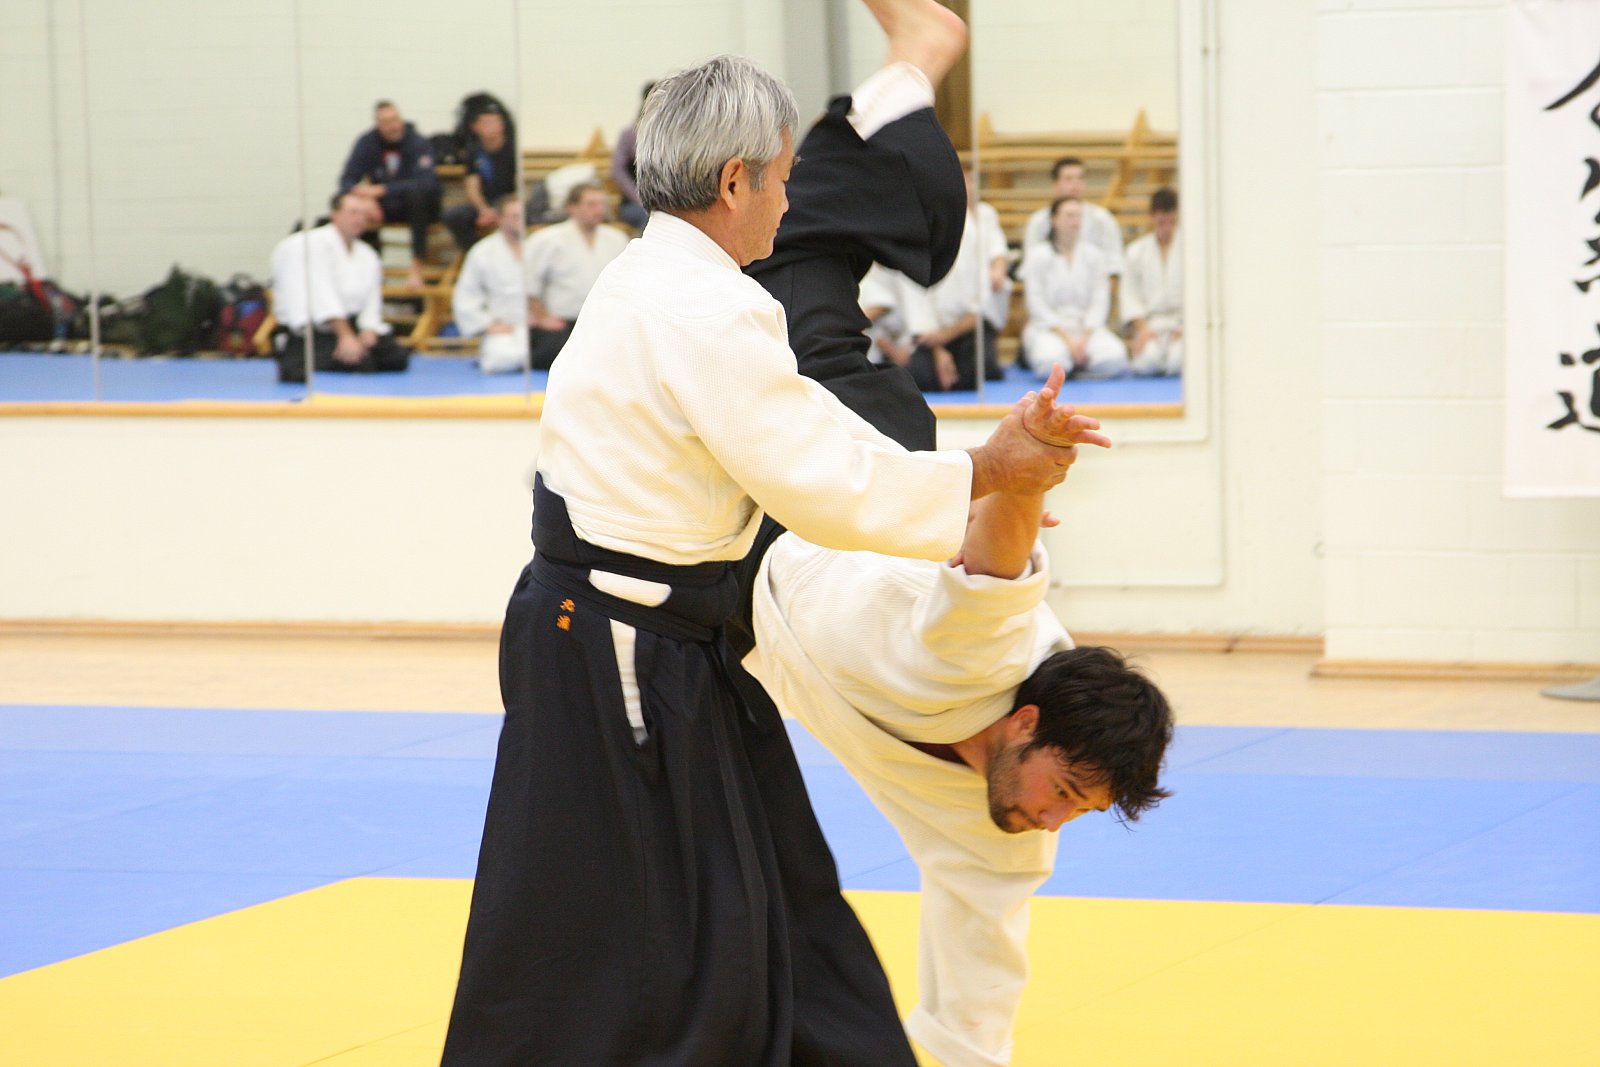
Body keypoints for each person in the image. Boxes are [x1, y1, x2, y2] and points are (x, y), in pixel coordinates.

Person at [439, 3, 1106, 1063]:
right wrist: (987, 472)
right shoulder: (706, 310)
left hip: (672, 635)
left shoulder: (666, 276)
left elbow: (829, 469)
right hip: (625, 642)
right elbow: (826, 483)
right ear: (735, 181)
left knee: (756, 900)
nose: (787, 199)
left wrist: (980, 481)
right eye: (781, 179)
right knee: (634, 920)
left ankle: (909, 74)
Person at [745, 458, 1173, 1067]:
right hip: (774, 508)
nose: (1054, 821)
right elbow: (995, 582)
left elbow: (984, 968)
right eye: (1063, 791)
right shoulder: (985, 656)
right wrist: (1025, 473)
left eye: (1082, 810)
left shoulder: (1007, 827)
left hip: (738, 636)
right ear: (1025, 722)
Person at [269, 192, 409, 383]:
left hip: (352, 323)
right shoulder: (310, 244)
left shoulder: (367, 254)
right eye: (353, 212)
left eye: (363, 214)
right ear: (335, 215)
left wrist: (369, 329)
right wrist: (345, 335)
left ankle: (353, 353)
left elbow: (371, 299)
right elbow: (322, 294)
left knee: (396, 358)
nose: (359, 218)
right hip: (315, 330)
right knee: (360, 363)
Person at [902, 164, 1011, 392]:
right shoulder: (916, 238)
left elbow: (979, 305)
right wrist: (938, 350)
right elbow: (916, 303)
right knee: (920, 377)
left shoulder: (972, 234)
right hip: (932, 335)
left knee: (979, 371)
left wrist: (946, 335)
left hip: (964, 328)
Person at [522, 181, 631, 369]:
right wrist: (542, 317)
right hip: (564, 324)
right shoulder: (547, 239)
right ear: (572, 208)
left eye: (601, 204)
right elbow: (530, 282)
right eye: (591, 204)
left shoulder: (617, 238)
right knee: (556, 356)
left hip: (606, 323)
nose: (598, 210)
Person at [1019, 196, 1129, 379]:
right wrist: (1068, 341)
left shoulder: (1094, 255)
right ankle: (1070, 365)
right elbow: (1036, 303)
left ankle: (1077, 370)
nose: (1074, 221)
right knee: (1048, 362)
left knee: (1116, 359)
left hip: (1086, 329)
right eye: (1069, 216)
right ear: (1054, 220)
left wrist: (1084, 339)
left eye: (1078, 216)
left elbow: (1099, 300)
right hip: (1051, 329)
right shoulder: (1038, 256)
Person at [337, 100, 440, 290]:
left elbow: (427, 183)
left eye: (395, 120)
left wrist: (384, 190)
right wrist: (366, 200)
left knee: (416, 197)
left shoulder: (417, 142)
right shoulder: (367, 143)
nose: (393, 126)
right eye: (386, 122)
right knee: (354, 209)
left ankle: (417, 266)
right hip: (383, 207)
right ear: (377, 125)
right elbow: (346, 181)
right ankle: (365, 271)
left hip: (417, 208)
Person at [450, 194, 529, 374]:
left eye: (523, 216)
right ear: (499, 219)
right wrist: (487, 325)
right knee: (502, 359)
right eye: (514, 216)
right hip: (504, 326)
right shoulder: (482, 252)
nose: (520, 221)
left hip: (535, 325)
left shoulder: (537, 247)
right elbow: (466, 296)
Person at [1021, 156, 1125, 275]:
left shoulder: (1102, 218)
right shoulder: (1039, 220)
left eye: (1080, 178)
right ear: (1055, 184)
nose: (1075, 184)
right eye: (1068, 179)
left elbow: (1114, 264)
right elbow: (1030, 267)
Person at [1122, 187, 1184, 377]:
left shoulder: (1191, 248)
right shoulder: (1136, 252)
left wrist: (1187, 327)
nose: (1166, 227)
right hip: (1151, 324)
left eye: (1171, 222)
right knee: (1147, 363)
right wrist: (1142, 329)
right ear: (1151, 218)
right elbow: (1130, 296)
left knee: (1178, 363)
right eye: (1161, 222)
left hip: (1182, 324)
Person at [443, 103, 517, 252]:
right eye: (486, 123)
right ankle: (474, 252)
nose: (491, 127)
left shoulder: (512, 151)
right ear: (475, 127)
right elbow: (472, 187)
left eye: (495, 122)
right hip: (484, 205)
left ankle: (510, 252)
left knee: (517, 215)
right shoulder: (474, 153)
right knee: (454, 215)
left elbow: (518, 188)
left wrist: (501, 211)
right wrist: (484, 210)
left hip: (508, 204)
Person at [609, 81, 656, 232]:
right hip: (634, 204)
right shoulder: (631, 135)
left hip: (663, 202)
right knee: (650, 217)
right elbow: (617, 171)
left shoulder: (674, 136)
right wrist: (639, 198)